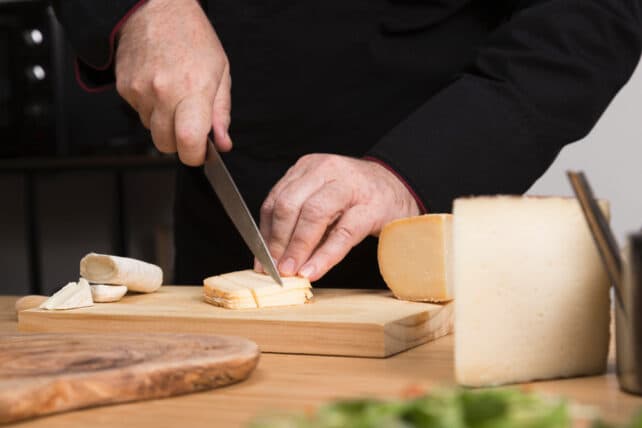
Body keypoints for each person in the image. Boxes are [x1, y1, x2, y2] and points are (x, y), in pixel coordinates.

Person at [53, 0, 642, 288]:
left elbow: (587, 14)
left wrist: (414, 170)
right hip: (230, 169)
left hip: (435, 174)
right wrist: (141, 8)